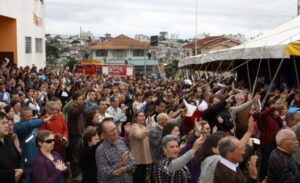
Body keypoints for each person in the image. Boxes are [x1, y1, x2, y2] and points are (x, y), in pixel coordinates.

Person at [14, 106, 53, 183]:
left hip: (37, 161)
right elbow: (29, 124)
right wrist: (43, 120)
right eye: (28, 116)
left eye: (31, 115)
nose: (31, 118)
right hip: (27, 164)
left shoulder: (34, 127)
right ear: (21, 117)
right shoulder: (18, 126)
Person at [95, 118, 136, 183]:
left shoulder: (121, 143)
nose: (115, 132)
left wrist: (124, 169)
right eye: (111, 131)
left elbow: (133, 163)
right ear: (104, 135)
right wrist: (120, 164)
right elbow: (103, 174)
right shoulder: (100, 150)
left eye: (115, 129)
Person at [129, 111, 152, 183]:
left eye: (143, 116)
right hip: (138, 159)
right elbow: (140, 136)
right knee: (138, 179)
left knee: (144, 179)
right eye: (140, 116)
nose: (143, 117)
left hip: (144, 157)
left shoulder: (143, 126)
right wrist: (149, 126)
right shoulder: (134, 127)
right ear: (135, 118)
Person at [0, 111, 23, 183]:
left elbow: (19, 159)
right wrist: (13, 174)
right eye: (3, 123)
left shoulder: (9, 140)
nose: (7, 125)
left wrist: (21, 170)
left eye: (7, 122)